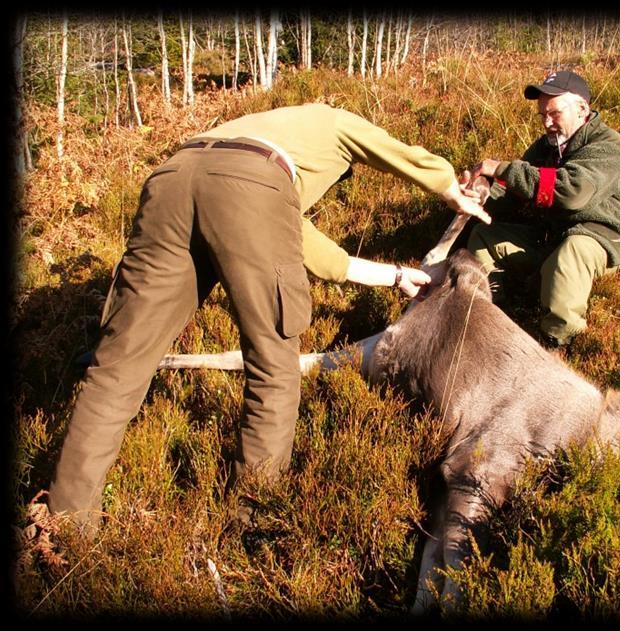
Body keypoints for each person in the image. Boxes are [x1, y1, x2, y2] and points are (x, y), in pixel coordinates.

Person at [47, 102, 490, 535]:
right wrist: (451, 188)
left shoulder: (260, 132)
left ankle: (66, 522)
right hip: (251, 184)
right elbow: (386, 147)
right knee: (273, 365)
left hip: (170, 178)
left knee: (117, 366)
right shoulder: (325, 119)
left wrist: (395, 277)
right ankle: (250, 516)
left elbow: (311, 249)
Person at [466, 70, 620, 347]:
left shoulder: (607, 145)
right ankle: (495, 311)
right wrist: (475, 195)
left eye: (555, 114)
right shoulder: (545, 147)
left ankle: (557, 341)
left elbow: (570, 192)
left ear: (582, 109)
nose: (547, 123)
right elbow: (516, 193)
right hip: (553, 237)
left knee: (571, 252)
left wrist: (502, 168)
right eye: (542, 115)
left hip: (605, 241)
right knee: (482, 236)